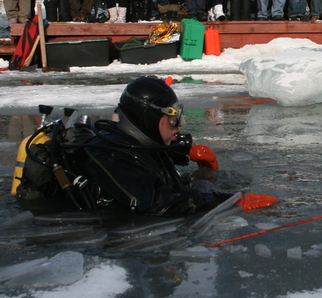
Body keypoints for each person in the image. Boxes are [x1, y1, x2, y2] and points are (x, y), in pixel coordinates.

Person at [65, 77, 226, 215]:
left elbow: (147, 150)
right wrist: (226, 201)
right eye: (172, 119)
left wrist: (182, 150)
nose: (179, 125)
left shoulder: (126, 141)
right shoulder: (112, 155)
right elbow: (158, 205)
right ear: (149, 118)